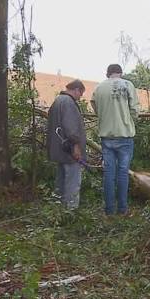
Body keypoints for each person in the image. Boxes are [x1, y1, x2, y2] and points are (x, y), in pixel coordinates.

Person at [91, 64, 140, 216]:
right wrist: (130, 118)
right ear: (120, 73)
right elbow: (135, 110)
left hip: (106, 137)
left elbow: (93, 103)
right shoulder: (127, 85)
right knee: (123, 173)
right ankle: (123, 209)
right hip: (124, 135)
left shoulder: (99, 88)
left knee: (109, 173)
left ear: (108, 74)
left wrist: (103, 115)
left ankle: (109, 211)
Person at [47, 79, 87, 209]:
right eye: (80, 94)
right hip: (69, 150)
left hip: (59, 149)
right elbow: (71, 127)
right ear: (76, 90)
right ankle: (71, 210)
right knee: (72, 181)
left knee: (61, 180)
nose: (80, 97)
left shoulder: (57, 101)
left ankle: (58, 208)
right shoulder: (69, 103)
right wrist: (76, 146)